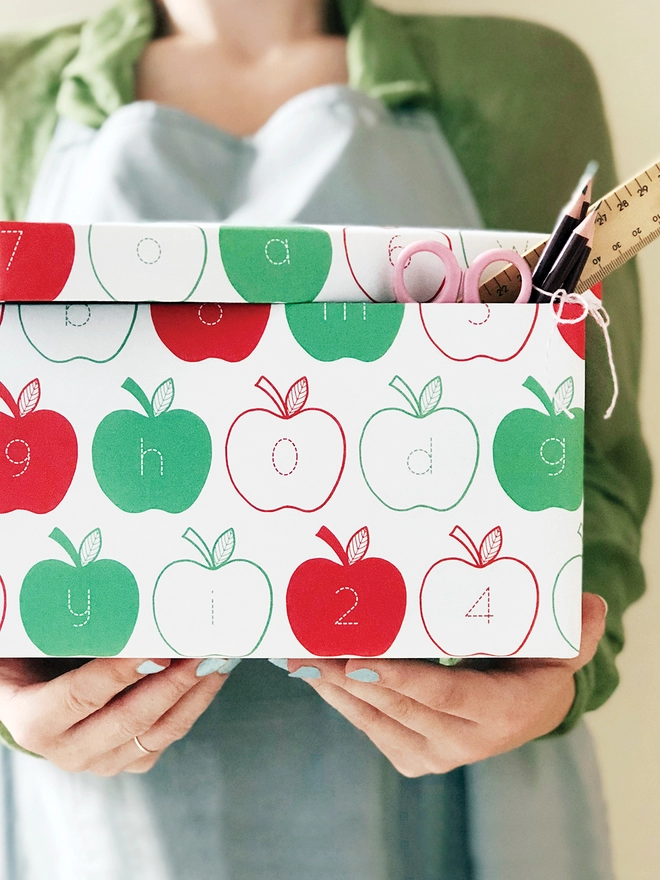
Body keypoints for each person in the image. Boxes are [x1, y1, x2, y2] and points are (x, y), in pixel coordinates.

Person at [0, 0, 650, 877]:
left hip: (459, 789)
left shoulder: (522, 79)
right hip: (112, 820)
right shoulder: (13, 92)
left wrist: (559, 679)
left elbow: (592, 459)